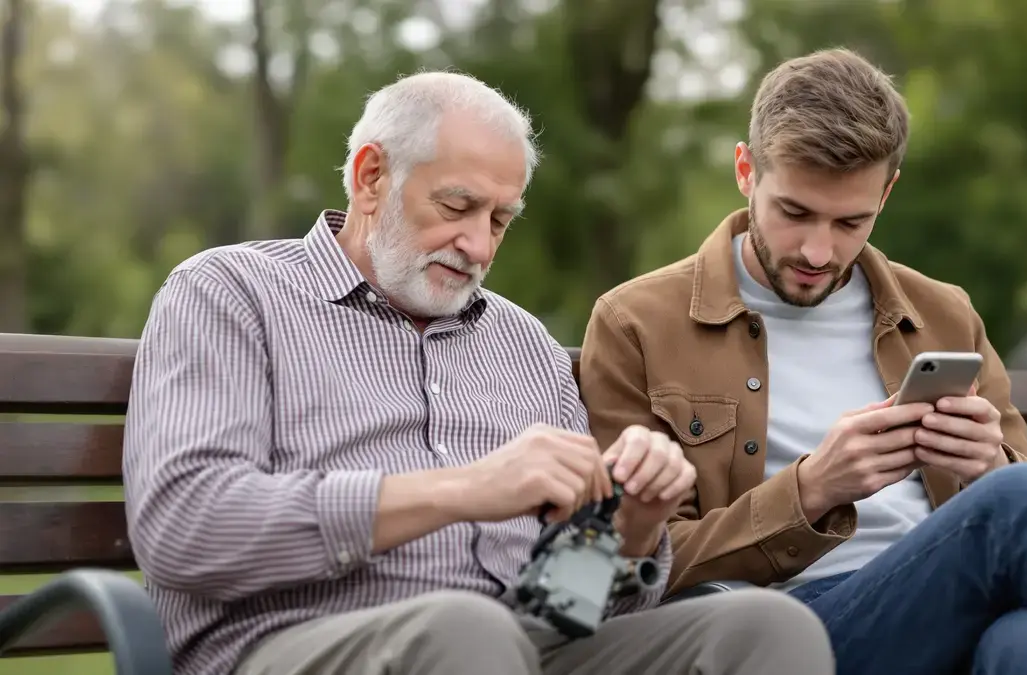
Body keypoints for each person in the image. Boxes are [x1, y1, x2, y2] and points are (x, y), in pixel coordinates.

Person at [121, 71, 835, 675]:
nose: (476, 243)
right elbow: (186, 525)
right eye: (457, 206)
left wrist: (633, 524)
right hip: (296, 641)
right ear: (372, 176)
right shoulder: (232, 292)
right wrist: (465, 489)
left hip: (520, 644)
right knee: (465, 631)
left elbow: (567, 604)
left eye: (500, 219)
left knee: (767, 628)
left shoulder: (523, 344)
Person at [578, 48, 1027, 675]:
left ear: (889, 190)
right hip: (788, 630)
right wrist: (813, 488)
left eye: (852, 222)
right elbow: (625, 564)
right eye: (794, 213)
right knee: (1023, 502)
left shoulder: (942, 313)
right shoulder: (638, 323)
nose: (819, 251)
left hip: (962, 602)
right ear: (746, 170)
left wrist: (988, 464)